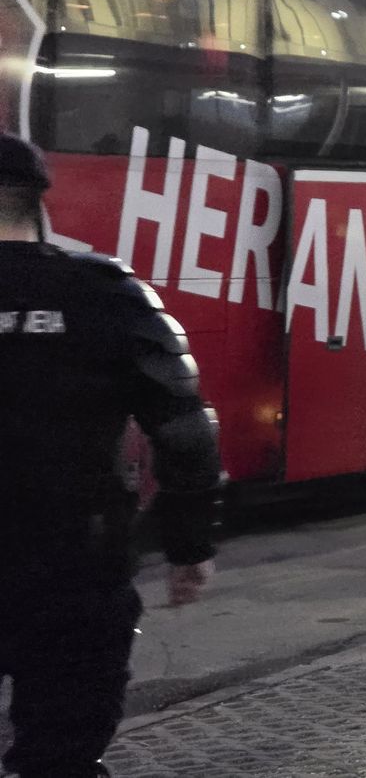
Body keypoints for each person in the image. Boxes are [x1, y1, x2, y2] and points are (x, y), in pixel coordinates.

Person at [0, 134, 220, 778]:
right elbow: (185, 432)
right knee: (63, 753)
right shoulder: (108, 294)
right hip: (74, 567)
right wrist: (189, 548)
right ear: (38, 202)